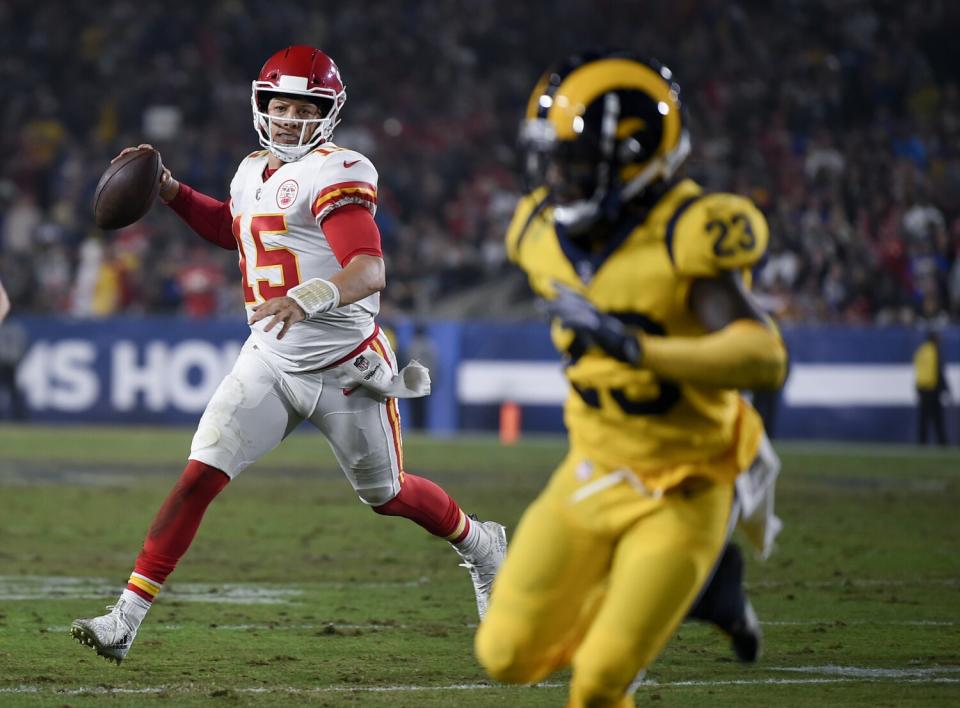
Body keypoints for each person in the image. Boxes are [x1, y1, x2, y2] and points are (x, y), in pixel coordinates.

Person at [71, 45, 506, 665]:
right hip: (271, 360)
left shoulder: (340, 169)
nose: (289, 118)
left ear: (328, 113)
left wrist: (309, 297)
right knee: (198, 478)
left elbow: (369, 268)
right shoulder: (251, 170)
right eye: (280, 105)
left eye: (305, 107)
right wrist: (169, 191)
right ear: (261, 106)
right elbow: (236, 231)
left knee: (386, 495)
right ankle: (124, 620)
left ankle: (482, 544)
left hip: (346, 369)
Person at [475, 52, 787, 706]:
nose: (556, 177)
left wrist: (637, 348)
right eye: (551, 159)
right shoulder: (534, 230)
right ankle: (704, 589)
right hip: (594, 467)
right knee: (504, 655)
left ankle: (697, 579)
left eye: (576, 162)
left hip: (689, 482)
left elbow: (763, 356)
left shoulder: (686, 229)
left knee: (599, 682)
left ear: (638, 159)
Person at [914, 329, 949, 445]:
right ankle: (942, 442)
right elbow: (939, 371)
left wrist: (918, 387)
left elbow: (918, 369)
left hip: (922, 388)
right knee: (937, 418)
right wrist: (946, 388)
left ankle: (921, 442)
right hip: (933, 389)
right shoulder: (935, 351)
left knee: (923, 418)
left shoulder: (922, 350)